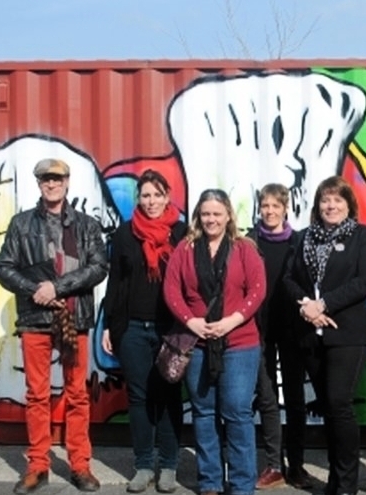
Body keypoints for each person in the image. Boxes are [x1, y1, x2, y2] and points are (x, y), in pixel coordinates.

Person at [0, 158, 108, 494]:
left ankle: (80, 466)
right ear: (39, 183)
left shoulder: (86, 225)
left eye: (57, 178)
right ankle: (38, 466)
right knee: (37, 395)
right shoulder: (21, 224)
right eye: (45, 178)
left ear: (67, 182)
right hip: (35, 319)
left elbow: (99, 267)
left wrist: (57, 287)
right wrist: (36, 291)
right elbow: (3, 268)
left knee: (77, 395)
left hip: (74, 318)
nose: (51, 183)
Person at [162, 188, 266, 495]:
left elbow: (257, 290)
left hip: (239, 342)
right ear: (198, 216)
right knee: (204, 413)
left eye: (217, 214)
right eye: (205, 214)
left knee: (236, 411)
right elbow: (171, 290)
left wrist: (232, 320)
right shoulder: (185, 249)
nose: (211, 219)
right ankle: (209, 481)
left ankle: (242, 484)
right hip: (196, 342)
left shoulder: (245, 248)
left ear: (228, 215)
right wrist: (191, 321)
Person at [283, 176, 366, 495]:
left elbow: (365, 281)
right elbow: (288, 279)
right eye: (326, 200)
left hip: (347, 334)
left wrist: (324, 303)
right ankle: (336, 481)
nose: (331, 205)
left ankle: (346, 484)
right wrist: (306, 307)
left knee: (339, 404)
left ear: (349, 205)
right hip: (310, 333)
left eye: (338, 200)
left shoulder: (363, 236)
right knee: (328, 406)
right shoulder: (301, 238)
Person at [101, 170, 188, 493]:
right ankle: (142, 465)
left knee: (168, 397)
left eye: (156, 194)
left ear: (167, 196)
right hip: (133, 328)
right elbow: (116, 283)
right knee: (139, 398)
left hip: (171, 329)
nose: (151, 201)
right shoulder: (126, 234)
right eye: (145, 195)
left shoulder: (181, 233)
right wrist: (110, 325)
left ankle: (168, 466)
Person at [246, 183, 313, 490]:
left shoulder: (300, 242)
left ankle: (296, 465)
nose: (270, 212)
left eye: (275, 206)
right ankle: (274, 464)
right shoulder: (248, 241)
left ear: (286, 208)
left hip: (294, 330)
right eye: (265, 206)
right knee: (268, 399)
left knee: (296, 399)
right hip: (258, 331)